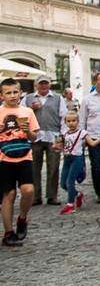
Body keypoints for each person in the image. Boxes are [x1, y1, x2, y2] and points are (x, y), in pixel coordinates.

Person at [1, 77, 39, 246]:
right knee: (9, 194)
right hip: (4, 158)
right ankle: (8, 233)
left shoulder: (27, 112)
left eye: (15, 92)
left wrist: (28, 132)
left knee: (28, 190)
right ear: (1, 95)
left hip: (24, 156)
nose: (12, 95)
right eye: (8, 93)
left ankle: (22, 219)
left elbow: (34, 137)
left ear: (21, 93)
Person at [21, 76, 66, 205]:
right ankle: (35, 196)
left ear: (49, 85)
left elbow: (63, 116)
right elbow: (21, 115)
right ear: (36, 85)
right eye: (41, 84)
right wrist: (30, 109)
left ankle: (52, 195)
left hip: (53, 136)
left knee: (53, 167)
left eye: (46, 83)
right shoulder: (28, 98)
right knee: (34, 168)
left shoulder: (58, 98)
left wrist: (62, 135)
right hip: (34, 137)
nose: (43, 86)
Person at [79, 72, 100, 203]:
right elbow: (82, 120)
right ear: (95, 83)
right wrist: (83, 138)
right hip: (93, 136)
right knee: (97, 165)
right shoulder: (87, 99)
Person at [58, 111, 97, 214]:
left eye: (74, 121)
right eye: (69, 121)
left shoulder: (82, 133)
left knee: (70, 182)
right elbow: (60, 146)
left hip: (77, 159)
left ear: (78, 121)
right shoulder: (65, 134)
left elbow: (92, 143)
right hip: (67, 158)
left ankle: (70, 204)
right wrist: (56, 145)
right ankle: (77, 194)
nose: (71, 123)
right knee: (63, 183)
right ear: (65, 122)